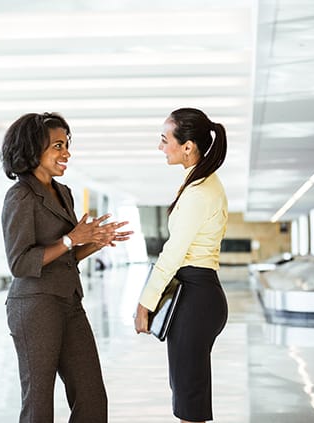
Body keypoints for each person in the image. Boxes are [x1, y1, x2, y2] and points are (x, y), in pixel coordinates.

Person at [0, 112, 133, 422]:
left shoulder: (64, 193)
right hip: (35, 305)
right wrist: (72, 240)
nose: (66, 153)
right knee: (39, 402)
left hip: (69, 301)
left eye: (67, 144)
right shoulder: (20, 196)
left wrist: (95, 241)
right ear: (34, 149)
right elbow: (19, 263)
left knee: (91, 396)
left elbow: (66, 256)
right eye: (58, 145)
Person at [134, 107, 229, 423]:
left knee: (189, 400)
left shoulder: (199, 192)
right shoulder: (201, 184)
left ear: (188, 146)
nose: (160, 147)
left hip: (195, 297)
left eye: (164, 140)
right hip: (200, 294)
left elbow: (172, 253)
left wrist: (145, 304)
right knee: (189, 394)